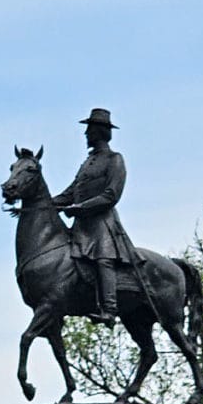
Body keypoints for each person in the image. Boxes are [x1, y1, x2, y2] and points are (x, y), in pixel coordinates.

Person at [51, 108, 138, 326]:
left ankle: (109, 309)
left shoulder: (114, 159)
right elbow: (70, 193)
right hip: (82, 226)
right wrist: (43, 204)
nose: (85, 135)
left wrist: (80, 208)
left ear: (99, 132)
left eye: (89, 130)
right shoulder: (88, 163)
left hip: (102, 225)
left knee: (103, 260)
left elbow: (111, 195)